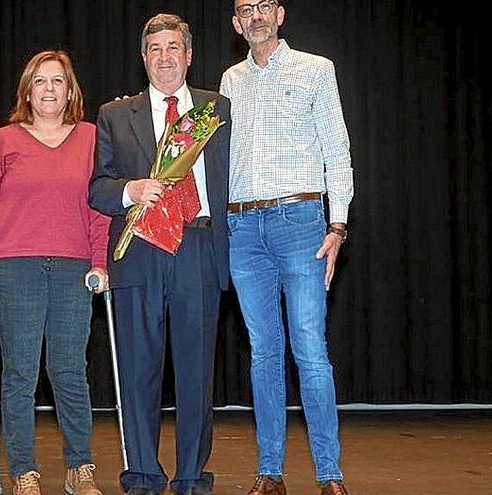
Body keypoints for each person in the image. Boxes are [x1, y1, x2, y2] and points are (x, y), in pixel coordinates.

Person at [89, 13, 231, 495]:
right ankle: (144, 474)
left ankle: (193, 475)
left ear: (189, 55)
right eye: (155, 49)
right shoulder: (114, 115)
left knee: (196, 373)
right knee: (137, 371)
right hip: (141, 253)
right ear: (143, 57)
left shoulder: (217, 110)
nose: (165, 57)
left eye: (174, 48)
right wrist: (131, 189)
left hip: (198, 247)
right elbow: (97, 188)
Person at [219, 1, 354, 494]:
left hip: (301, 221)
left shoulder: (316, 69)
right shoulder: (230, 82)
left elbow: (337, 150)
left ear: (279, 13)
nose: (255, 15)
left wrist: (337, 226)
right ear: (237, 24)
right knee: (263, 352)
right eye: (245, 9)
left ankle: (329, 475)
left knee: (310, 349)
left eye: (263, 6)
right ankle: (269, 471)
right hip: (243, 228)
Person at [0, 50, 111, 495]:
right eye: (40, 81)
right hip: (14, 268)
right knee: (20, 374)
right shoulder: (2, 141)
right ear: (27, 91)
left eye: (57, 81)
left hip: (73, 268)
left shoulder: (91, 137)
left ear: (70, 90)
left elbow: (99, 210)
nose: (49, 89)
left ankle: (79, 467)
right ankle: (24, 472)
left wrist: (98, 261)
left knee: (70, 370)